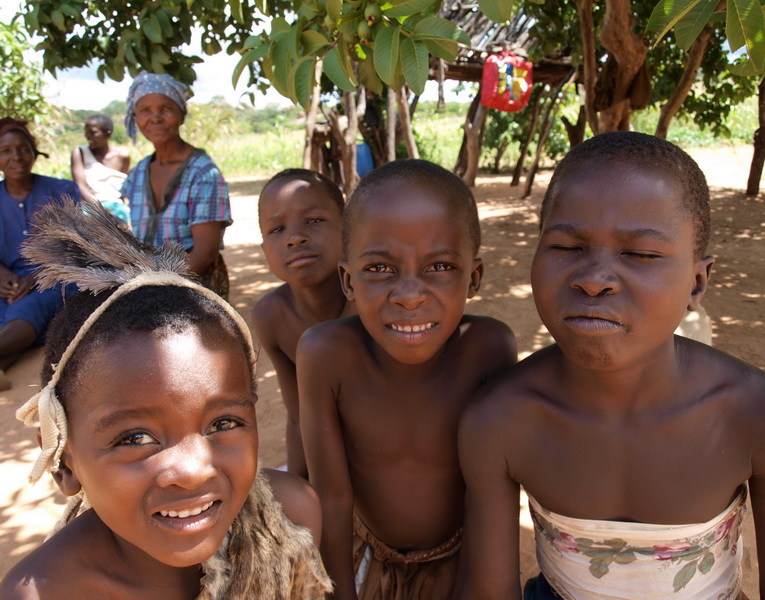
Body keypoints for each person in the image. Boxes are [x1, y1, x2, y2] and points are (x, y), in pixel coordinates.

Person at [458, 132, 765, 599]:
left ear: (697, 283)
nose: (595, 280)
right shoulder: (499, 419)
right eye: (566, 247)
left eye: (640, 254)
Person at [0, 198, 332, 600]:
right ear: (63, 460)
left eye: (223, 423)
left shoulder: (294, 521)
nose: (192, 471)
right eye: (135, 438)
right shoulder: (44, 592)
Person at [297, 159, 518, 599]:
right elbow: (333, 497)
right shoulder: (325, 355)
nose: (411, 296)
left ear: (473, 277)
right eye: (380, 269)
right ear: (347, 280)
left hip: (460, 559)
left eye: (439, 267)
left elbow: (488, 499)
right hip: (367, 557)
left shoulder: (488, 350)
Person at [253, 169, 355, 478]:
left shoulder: (373, 304)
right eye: (277, 229)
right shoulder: (272, 316)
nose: (295, 238)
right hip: (334, 466)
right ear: (264, 251)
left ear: (349, 229)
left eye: (313, 220)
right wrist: (298, 486)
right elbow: (299, 418)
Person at [121, 72, 231, 298]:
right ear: (135, 117)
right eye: (145, 110)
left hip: (196, 291)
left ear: (181, 115)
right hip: (147, 288)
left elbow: (205, 253)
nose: (155, 117)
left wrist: (159, 290)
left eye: (166, 108)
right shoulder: (138, 173)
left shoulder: (203, 173)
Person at [0, 117, 80, 391]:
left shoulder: (61, 191)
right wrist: (3, 276)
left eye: (23, 148)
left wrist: (34, 277)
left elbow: (74, 244)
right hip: (10, 281)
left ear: (34, 151)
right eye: (6, 151)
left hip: (54, 275)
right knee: (9, 307)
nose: (16, 157)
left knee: (32, 304)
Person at [70, 113, 131, 225]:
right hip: (90, 208)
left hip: (116, 208)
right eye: (86, 132)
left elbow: (124, 190)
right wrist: (100, 210)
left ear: (107, 134)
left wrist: (116, 211)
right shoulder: (80, 153)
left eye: (93, 132)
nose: (88, 136)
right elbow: (80, 186)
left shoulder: (123, 156)